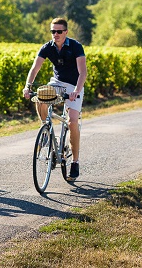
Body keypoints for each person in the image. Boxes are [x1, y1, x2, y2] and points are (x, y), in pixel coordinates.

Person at [23, 17, 87, 181]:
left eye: (59, 31)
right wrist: (27, 86)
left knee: (72, 122)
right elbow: (35, 67)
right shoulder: (47, 47)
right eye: (53, 31)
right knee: (40, 96)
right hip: (57, 83)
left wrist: (76, 91)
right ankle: (45, 130)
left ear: (66, 32)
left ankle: (75, 162)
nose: (55, 34)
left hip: (73, 86)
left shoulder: (75, 46)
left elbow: (83, 73)